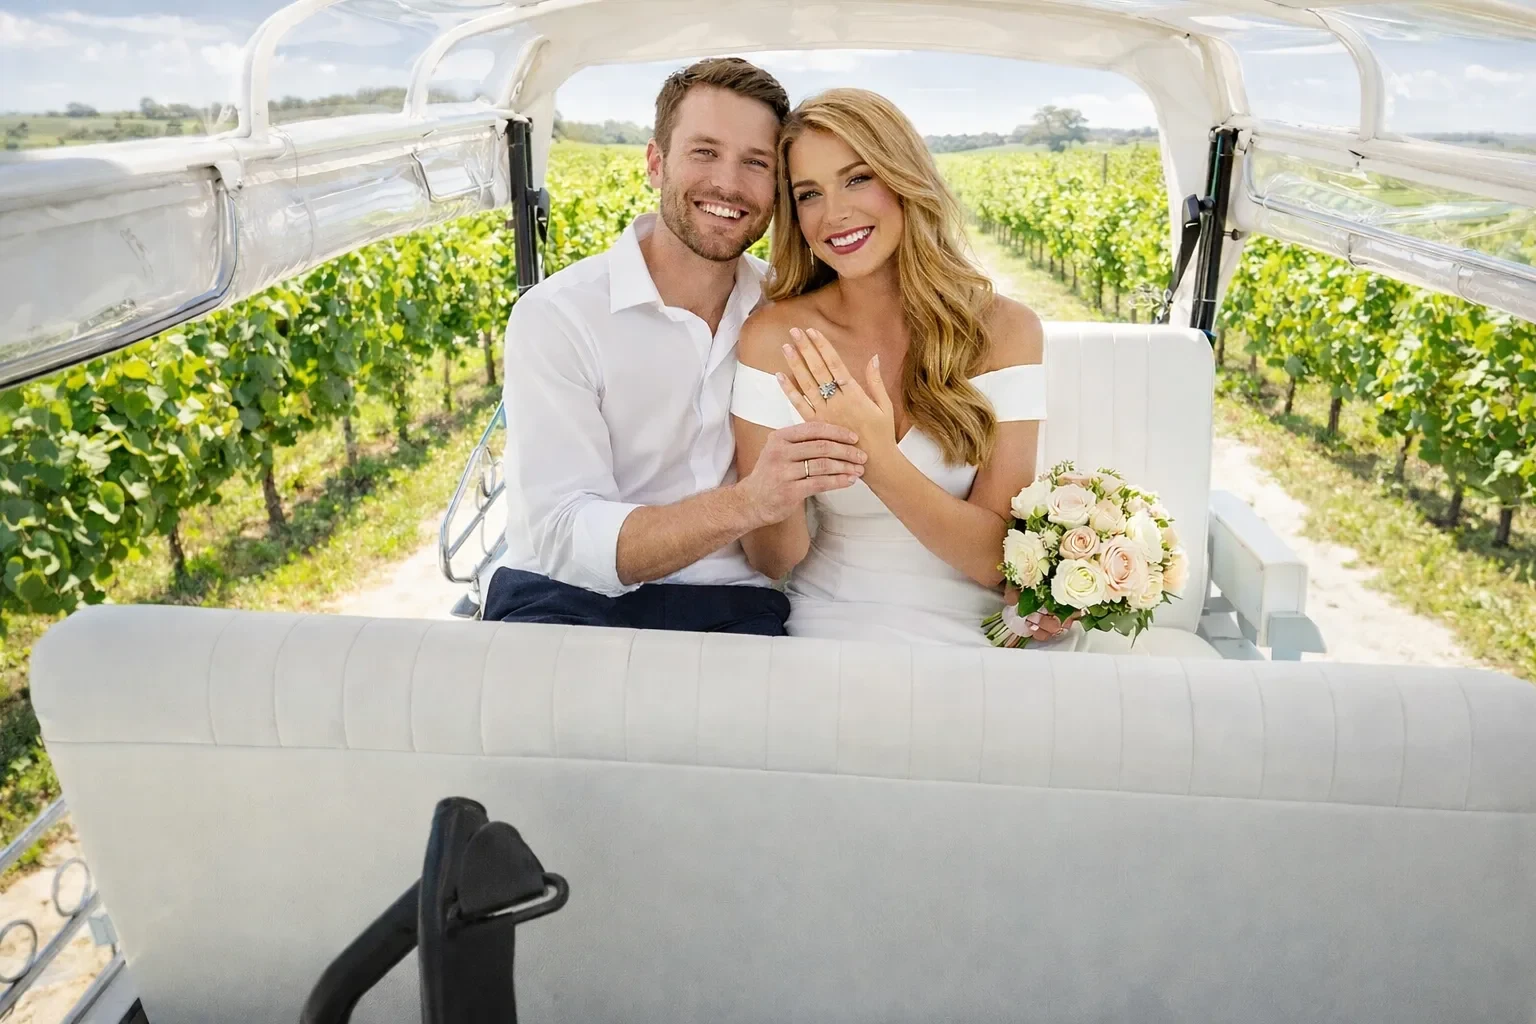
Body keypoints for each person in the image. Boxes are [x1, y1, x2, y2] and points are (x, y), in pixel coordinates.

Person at [481, 59, 867, 635]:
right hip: (567, 599)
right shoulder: (558, 316)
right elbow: (562, 533)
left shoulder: (789, 313)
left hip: (731, 608)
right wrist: (748, 502)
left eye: (755, 163)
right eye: (704, 152)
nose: (729, 185)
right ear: (656, 164)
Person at [731, 88, 1075, 647]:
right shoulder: (776, 338)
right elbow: (774, 559)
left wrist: (876, 457)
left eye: (858, 177)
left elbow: (997, 561)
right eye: (809, 194)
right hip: (833, 620)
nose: (835, 213)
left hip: (978, 627)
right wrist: (780, 483)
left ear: (903, 178)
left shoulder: (1006, 331)